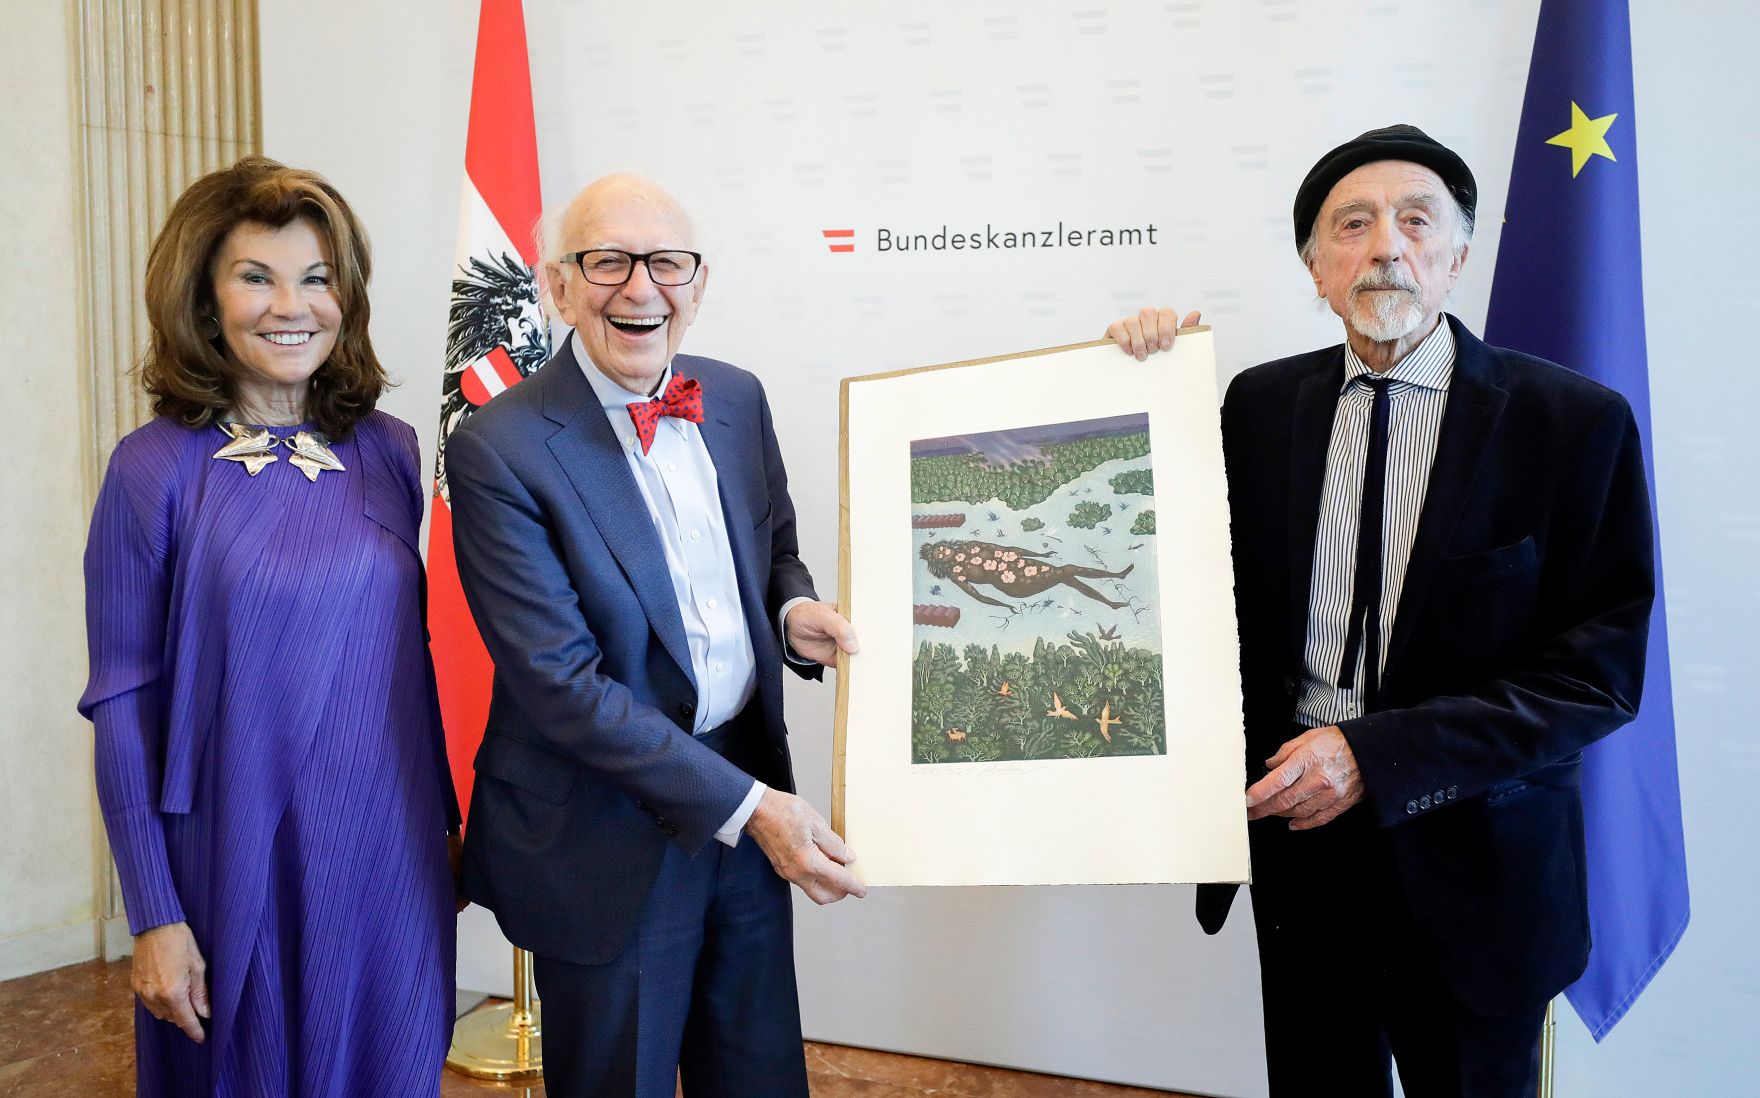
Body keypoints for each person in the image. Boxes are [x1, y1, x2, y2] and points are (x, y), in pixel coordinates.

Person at [1106, 125, 1654, 1097]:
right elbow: (1157, 571)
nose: (1385, 246)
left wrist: (1376, 754)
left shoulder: (1571, 423)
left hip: (1479, 870)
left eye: (1415, 220)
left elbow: (1594, 675)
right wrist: (1132, 390)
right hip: (1300, 859)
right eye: (1351, 225)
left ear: (1457, 255)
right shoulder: (1255, 409)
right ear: (1317, 268)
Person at [445, 174, 864, 1098]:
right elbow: (561, 685)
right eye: (608, 262)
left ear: (698, 284)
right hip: (603, 835)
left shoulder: (737, 398)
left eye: (666, 263)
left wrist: (791, 615)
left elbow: (776, 554)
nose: (641, 289)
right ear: (559, 287)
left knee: (757, 1077)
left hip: (748, 797)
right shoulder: (496, 448)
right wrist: (753, 809)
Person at [78, 156, 462, 1097]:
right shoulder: (152, 468)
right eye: (257, 277)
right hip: (230, 848)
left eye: (316, 278)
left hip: (390, 848)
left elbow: (406, 659)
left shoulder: (391, 449)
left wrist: (450, 828)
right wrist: (153, 913)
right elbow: (122, 703)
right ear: (205, 302)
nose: (292, 306)